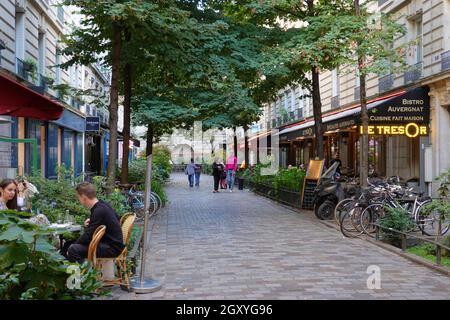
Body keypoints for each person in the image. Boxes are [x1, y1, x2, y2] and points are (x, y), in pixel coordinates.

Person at [64, 182, 125, 264]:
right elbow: (116, 218)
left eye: (78, 198)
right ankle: (69, 273)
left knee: (73, 249)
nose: (79, 200)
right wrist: (92, 222)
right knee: (67, 245)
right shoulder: (103, 205)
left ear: (83, 197)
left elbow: (88, 236)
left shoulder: (98, 211)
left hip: (111, 248)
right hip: (111, 245)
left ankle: (80, 275)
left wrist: (73, 246)